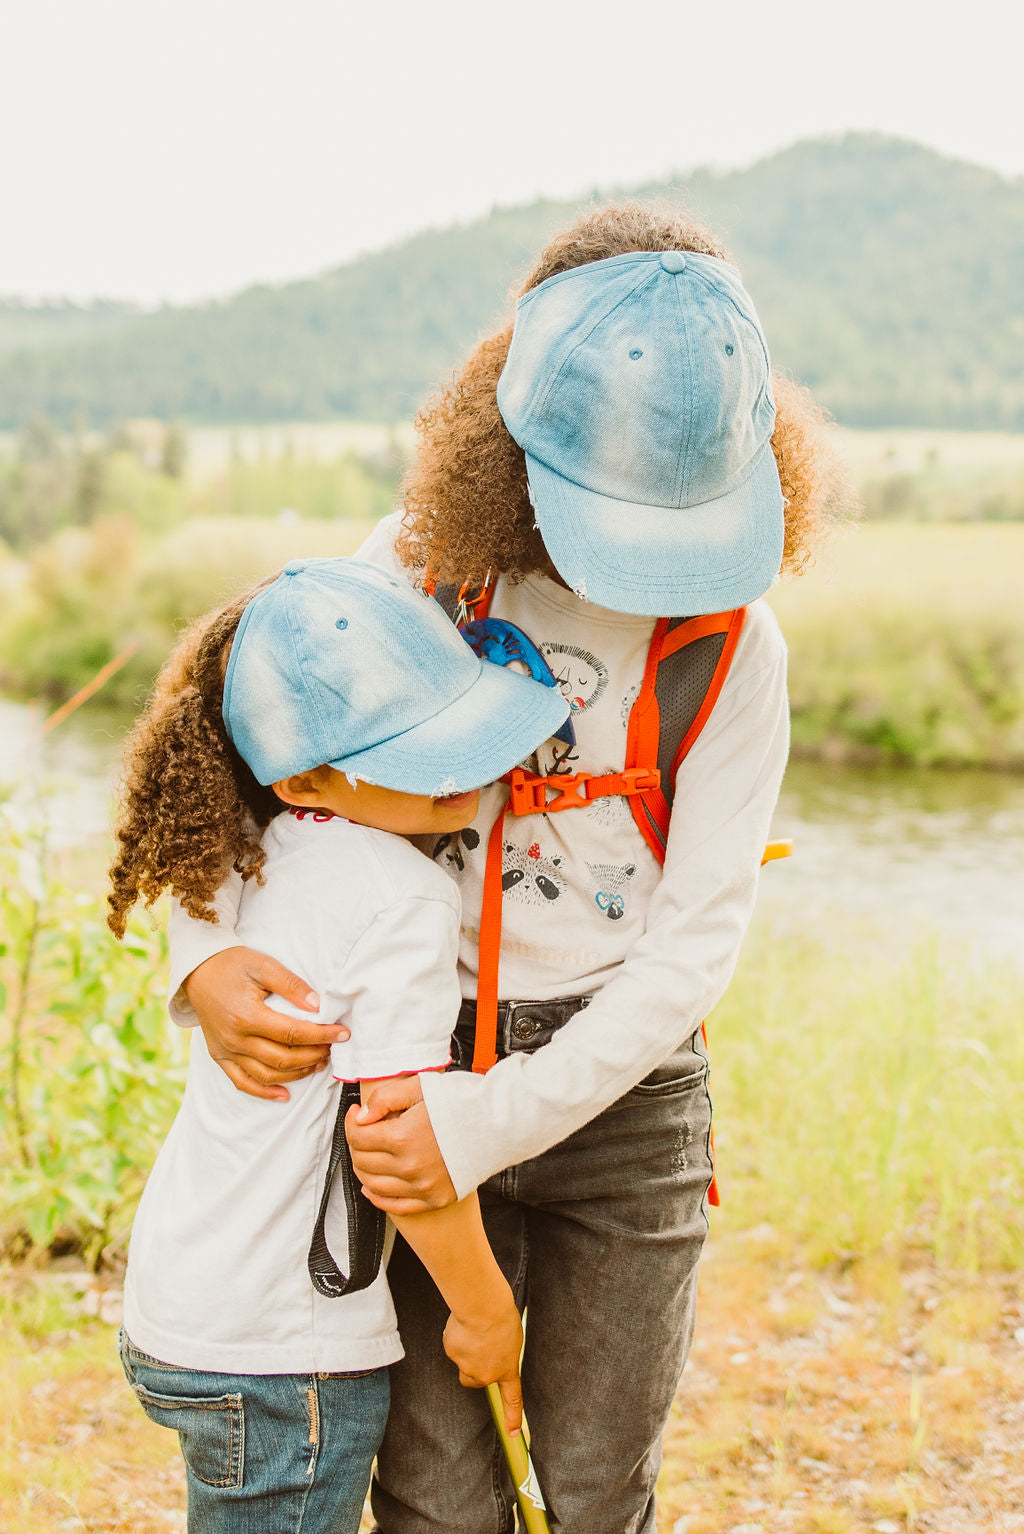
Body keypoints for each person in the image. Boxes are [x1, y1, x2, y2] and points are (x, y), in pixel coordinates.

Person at [169, 204, 843, 1533]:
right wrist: (202, 958)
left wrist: (475, 1131)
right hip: (405, 1060)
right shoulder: (414, 569)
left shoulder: (733, 650)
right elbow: (251, 766)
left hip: (621, 1105)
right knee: (434, 1498)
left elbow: (693, 950)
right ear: (508, 433)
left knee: (592, 1494)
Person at [107, 557, 570, 1533]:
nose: (460, 770)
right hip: (286, 1357)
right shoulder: (401, 896)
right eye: (410, 749)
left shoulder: (256, 846)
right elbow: (398, 1136)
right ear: (309, 772)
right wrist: (483, 1311)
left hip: (185, 1308)